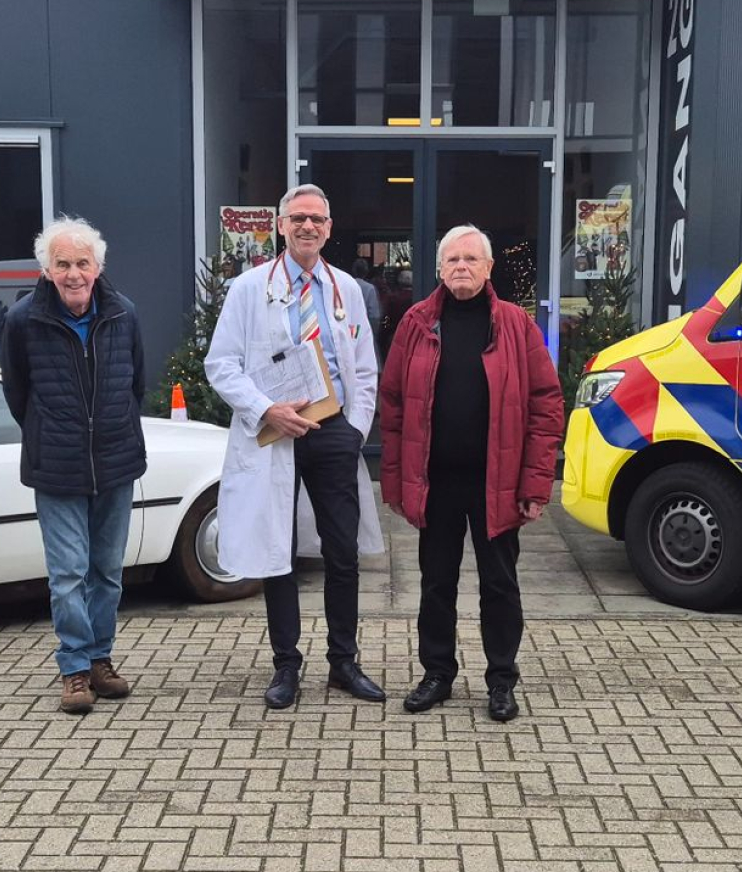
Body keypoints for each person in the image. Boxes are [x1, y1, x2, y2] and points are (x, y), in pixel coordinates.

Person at [205, 184, 386, 711]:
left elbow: (365, 367)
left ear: (330, 228)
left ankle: (343, 662)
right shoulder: (247, 289)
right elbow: (221, 364)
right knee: (277, 549)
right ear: (281, 226)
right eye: (298, 218)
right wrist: (265, 409)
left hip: (332, 432)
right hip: (273, 430)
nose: (308, 227)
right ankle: (287, 664)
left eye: (318, 219)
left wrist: (355, 428)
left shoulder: (347, 289)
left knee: (342, 551)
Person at [379, 225, 563, 723]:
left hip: (496, 484)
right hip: (436, 483)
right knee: (436, 583)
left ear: (488, 268)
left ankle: (501, 680)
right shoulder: (417, 323)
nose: (461, 267)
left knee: (499, 585)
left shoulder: (516, 325)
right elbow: (392, 405)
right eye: (452, 260)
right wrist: (395, 482)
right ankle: (437, 673)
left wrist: (535, 484)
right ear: (439, 269)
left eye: (471, 259)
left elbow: (547, 405)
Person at [0, 216, 148, 715]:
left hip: (115, 461)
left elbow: (135, 387)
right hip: (57, 466)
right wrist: (51, 432)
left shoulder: (123, 314)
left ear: (98, 266)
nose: (73, 273)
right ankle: (74, 668)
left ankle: (101, 659)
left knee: (107, 572)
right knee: (67, 574)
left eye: (82, 263)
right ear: (46, 269)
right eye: (62, 264)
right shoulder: (22, 320)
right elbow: (17, 394)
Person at [349, 257, 383, 344]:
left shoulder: (345, 285)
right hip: (364, 329)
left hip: (348, 328)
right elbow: (374, 315)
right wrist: (373, 335)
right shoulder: (370, 288)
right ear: (366, 271)